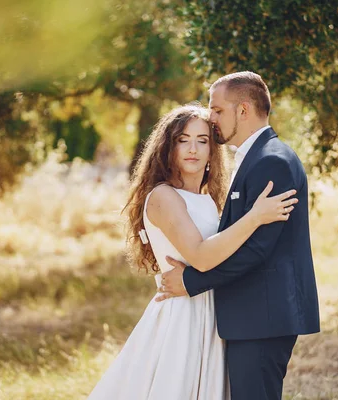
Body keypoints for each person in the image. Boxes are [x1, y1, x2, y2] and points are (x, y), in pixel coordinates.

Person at [87, 102, 298, 400]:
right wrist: (256, 216)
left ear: (213, 150)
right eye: (183, 140)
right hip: (182, 314)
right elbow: (200, 255)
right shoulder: (163, 196)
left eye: (202, 141)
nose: (193, 149)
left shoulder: (209, 199)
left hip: (214, 310)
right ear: (167, 147)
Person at [157, 72, 320, 400]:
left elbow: (257, 249)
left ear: (243, 110)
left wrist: (191, 282)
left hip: (262, 315)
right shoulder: (255, 158)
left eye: (217, 110)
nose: (211, 118)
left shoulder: (271, 162)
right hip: (252, 315)